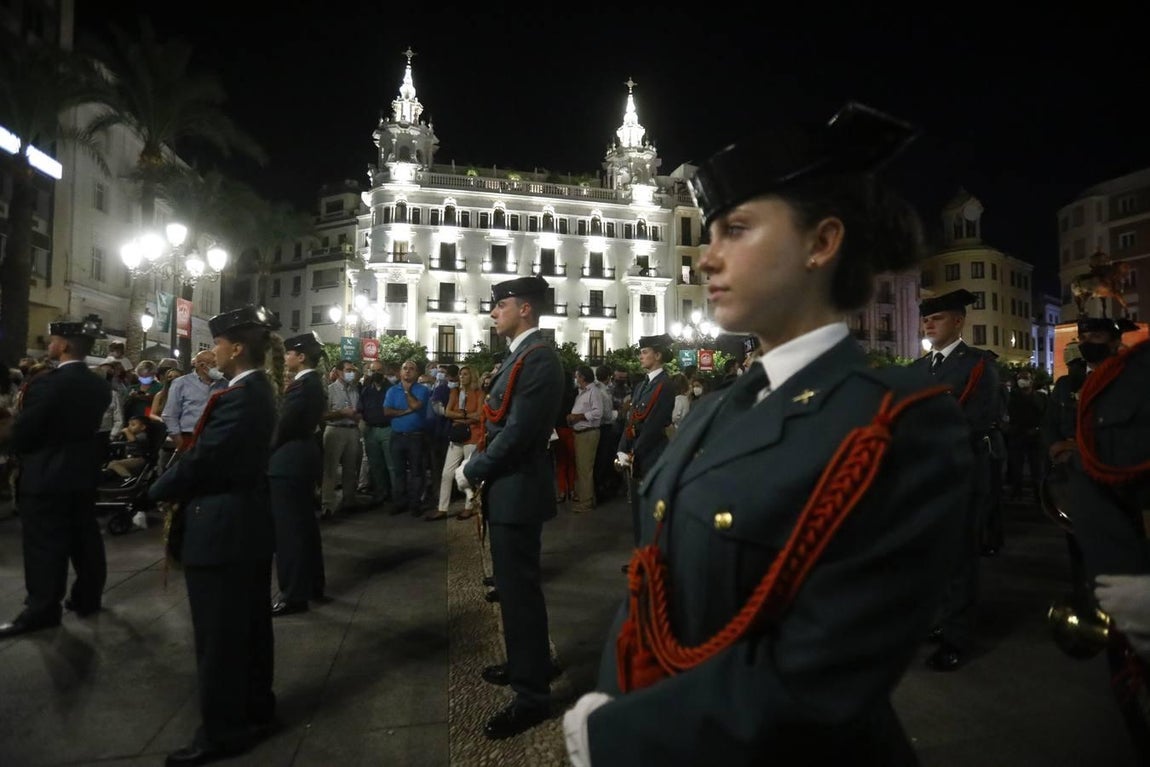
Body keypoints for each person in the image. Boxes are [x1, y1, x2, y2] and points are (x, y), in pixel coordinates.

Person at [563, 101, 972, 766]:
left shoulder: (899, 423)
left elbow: (816, 681)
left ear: (820, 243)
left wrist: (619, 736)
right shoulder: (724, 406)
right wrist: (617, 695)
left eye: (738, 230)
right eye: (711, 233)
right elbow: (651, 587)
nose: (706, 258)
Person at [147, 305, 280, 765]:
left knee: (220, 638)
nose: (211, 351)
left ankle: (222, 732)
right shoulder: (252, 389)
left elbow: (205, 459)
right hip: (245, 522)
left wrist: (156, 490)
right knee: (248, 628)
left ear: (236, 347)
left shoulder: (242, 395)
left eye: (217, 343)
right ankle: (257, 710)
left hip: (223, 526)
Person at [460, 275, 564, 740]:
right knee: (513, 587)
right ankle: (530, 662)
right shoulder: (520, 356)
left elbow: (519, 433)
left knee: (519, 592)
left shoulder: (537, 358)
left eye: (499, 305)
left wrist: (472, 469)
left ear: (524, 308)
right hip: (510, 489)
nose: (492, 312)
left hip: (518, 490)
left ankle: (532, 695)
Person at [1066, 318, 1150, 761]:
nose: (1085, 342)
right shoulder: (1126, 379)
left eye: (1096, 335)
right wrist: (1128, 592)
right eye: (1083, 334)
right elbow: (1097, 471)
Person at [0, 317, 112, 638]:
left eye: (53, 341)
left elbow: (26, 430)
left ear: (64, 346)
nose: (50, 346)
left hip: (46, 475)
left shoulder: (48, 383)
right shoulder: (99, 384)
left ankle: (42, 609)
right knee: (85, 538)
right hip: (82, 474)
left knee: (44, 546)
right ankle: (87, 598)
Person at [911, 288, 1002, 671]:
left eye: (938, 318)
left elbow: (977, 417)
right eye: (927, 320)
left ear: (959, 321)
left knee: (960, 555)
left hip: (962, 469)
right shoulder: (919, 370)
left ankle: (957, 637)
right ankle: (941, 618)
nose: (930, 324)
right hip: (926, 474)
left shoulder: (978, 365)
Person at [269, 332, 329, 617]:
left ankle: (293, 594)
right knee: (304, 528)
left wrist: (261, 452)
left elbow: (281, 428)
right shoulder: (309, 383)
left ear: (301, 356)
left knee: (289, 532)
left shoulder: (303, 386)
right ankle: (313, 585)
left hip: (289, 462)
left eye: (290, 353)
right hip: (301, 458)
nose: (286, 357)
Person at [615, 333, 676, 549]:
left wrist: (634, 453)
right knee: (638, 510)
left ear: (658, 355)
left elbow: (653, 426)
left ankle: (652, 558)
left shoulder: (665, 385)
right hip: (636, 455)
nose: (641, 356)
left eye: (645, 352)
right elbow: (631, 419)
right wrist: (622, 449)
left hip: (651, 454)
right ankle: (641, 554)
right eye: (640, 352)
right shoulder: (642, 386)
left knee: (650, 510)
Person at [432, 363, 482, 520]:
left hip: (472, 436)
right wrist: (467, 416)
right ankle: (442, 508)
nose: (462, 377)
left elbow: (479, 415)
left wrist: (459, 416)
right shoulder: (454, 392)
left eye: (465, 374)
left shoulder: (479, 394)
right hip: (456, 436)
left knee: (468, 473)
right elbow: (447, 412)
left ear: (472, 376)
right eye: (461, 374)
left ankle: (469, 506)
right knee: (447, 473)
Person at [383, 359, 432, 517]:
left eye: (411, 369)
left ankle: (415, 503)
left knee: (417, 472)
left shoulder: (422, 390)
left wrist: (406, 391)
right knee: (399, 472)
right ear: (400, 372)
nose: (407, 371)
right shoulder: (391, 391)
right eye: (405, 368)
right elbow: (387, 411)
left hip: (416, 437)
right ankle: (400, 502)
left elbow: (416, 406)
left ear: (416, 373)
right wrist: (404, 412)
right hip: (397, 436)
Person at [161, 350, 226, 454]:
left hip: (215, 437)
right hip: (188, 437)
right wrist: (179, 440)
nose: (218, 367)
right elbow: (170, 414)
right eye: (214, 364)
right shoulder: (181, 383)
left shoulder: (224, 384)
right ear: (202, 366)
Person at [320, 359, 362, 518]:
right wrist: (341, 413)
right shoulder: (330, 390)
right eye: (347, 370)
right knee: (330, 468)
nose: (351, 373)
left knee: (351, 468)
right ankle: (327, 506)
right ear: (338, 372)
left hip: (352, 430)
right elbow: (323, 415)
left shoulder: (355, 390)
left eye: (352, 370)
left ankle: (349, 501)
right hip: (335, 430)